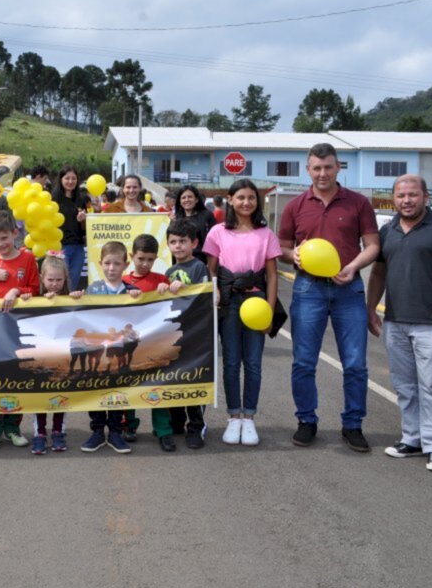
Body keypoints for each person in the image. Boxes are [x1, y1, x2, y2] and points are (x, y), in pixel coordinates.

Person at [279, 142, 380, 452]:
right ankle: (306, 421)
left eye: (328, 167)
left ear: (338, 168)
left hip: (348, 289)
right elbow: (280, 248)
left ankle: (353, 425)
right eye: (316, 168)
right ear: (308, 170)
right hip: (308, 288)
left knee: (355, 364)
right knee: (304, 362)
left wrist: (352, 268)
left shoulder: (359, 203)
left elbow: (373, 246)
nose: (322, 173)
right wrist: (291, 255)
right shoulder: (294, 206)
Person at [366, 175, 432, 474]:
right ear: (393, 199)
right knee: (405, 385)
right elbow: (378, 275)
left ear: (425, 196)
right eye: (401, 196)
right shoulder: (388, 231)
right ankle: (412, 439)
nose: (407, 200)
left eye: (413, 195)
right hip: (396, 322)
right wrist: (371, 308)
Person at [204, 179, 281, 447]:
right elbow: (211, 270)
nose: (246, 202)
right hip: (229, 302)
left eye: (251, 198)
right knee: (231, 362)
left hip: (257, 301)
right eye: (241, 198)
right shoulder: (217, 232)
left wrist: (269, 312)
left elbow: (272, 276)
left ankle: (249, 417)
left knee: (254, 363)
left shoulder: (266, 234)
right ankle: (233, 416)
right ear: (230, 199)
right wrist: (214, 292)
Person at [0, 211, 39, 449]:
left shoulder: (28, 258)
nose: (0, 244)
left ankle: (13, 426)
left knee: (17, 378)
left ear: (15, 233)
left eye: (4, 238)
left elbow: (35, 289)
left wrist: (16, 291)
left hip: (19, 329)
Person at [79, 241, 141, 455]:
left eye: (117, 264)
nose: (112, 268)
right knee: (96, 387)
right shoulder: (92, 289)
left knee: (118, 388)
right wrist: (78, 299)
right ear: (100, 263)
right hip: (98, 349)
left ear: (125, 264)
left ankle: (115, 431)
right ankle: (97, 430)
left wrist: (138, 298)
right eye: (107, 263)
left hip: (119, 351)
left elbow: (141, 318)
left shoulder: (132, 290)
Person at [119, 234, 174, 449]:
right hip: (128, 345)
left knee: (156, 386)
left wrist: (171, 288)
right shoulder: (120, 281)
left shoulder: (161, 280)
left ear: (156, 259)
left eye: (150, 260)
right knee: (127, 385)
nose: (145, 264)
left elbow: (176, 304)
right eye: (141, 258)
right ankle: (128, 425)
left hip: (155, 345)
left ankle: (163, 430)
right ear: (132, 256)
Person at [163, 218, 211, 449]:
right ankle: (177, 420)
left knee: (194, 379)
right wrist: (161, 290)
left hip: (197, 336)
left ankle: (196, 425)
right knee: (174, 377)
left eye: (183, 241)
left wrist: (186, 289)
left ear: (194, 243)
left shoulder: (199, 267)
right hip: (176, 335)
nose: (178, 246)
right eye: (173, 242)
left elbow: (204, 298)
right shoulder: (169, 271)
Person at [28, 256, 81, 455]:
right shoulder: (34, 298)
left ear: (65, 278)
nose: (55, 284)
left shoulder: (70, 297)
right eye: (50, 280)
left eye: (59, 280)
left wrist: (77, 297)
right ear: (42, 278)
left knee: (60, 395)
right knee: (40, 396)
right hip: (41, 356)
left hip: (63, 356)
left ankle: (59, 431)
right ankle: (40, 432)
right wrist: (30, 299)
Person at [52, 165, 90, 290]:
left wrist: (82, 221)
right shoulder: (54, 199)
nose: (70, 181)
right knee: (60, 283)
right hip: (60, 247)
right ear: (61, 179)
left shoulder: (81, 199)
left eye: (73, 178)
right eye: (67, 178)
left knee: (73, 283)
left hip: (78, 247)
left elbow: (86, 228)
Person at [174, 184, 217, 262]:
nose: (187, 200)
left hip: (202, 260)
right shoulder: (176, 218)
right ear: (180, 202)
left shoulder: (207, 215)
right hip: (181, 260)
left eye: (190, 197)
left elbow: (214, 239)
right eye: (183, 198)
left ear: (196, 199)